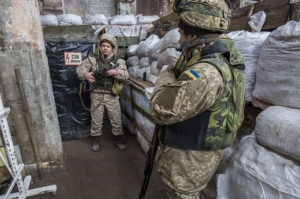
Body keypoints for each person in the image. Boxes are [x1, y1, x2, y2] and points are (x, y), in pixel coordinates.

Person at [149, 0, 246, 198]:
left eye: (182, 34)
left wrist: (168, 73)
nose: (178, 41)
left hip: (190, 156)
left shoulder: (206, 72)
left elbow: (159, 109)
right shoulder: (225, 56)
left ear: (194, 35)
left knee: (182, 194)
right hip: (197, 151)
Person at [77, 33, 129, 152]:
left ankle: (119, 140)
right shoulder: (92, 59)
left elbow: (126, 75)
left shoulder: (119, 61)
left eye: (108, 46)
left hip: (112, 95)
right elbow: (80, 69)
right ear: (99, 46)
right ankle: (95, 140)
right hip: (97, 94)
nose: (105, 48)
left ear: (113, 48)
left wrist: (115, 73)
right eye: (103, 45)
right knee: (96, 119)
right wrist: (85, 74)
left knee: (116, 120)